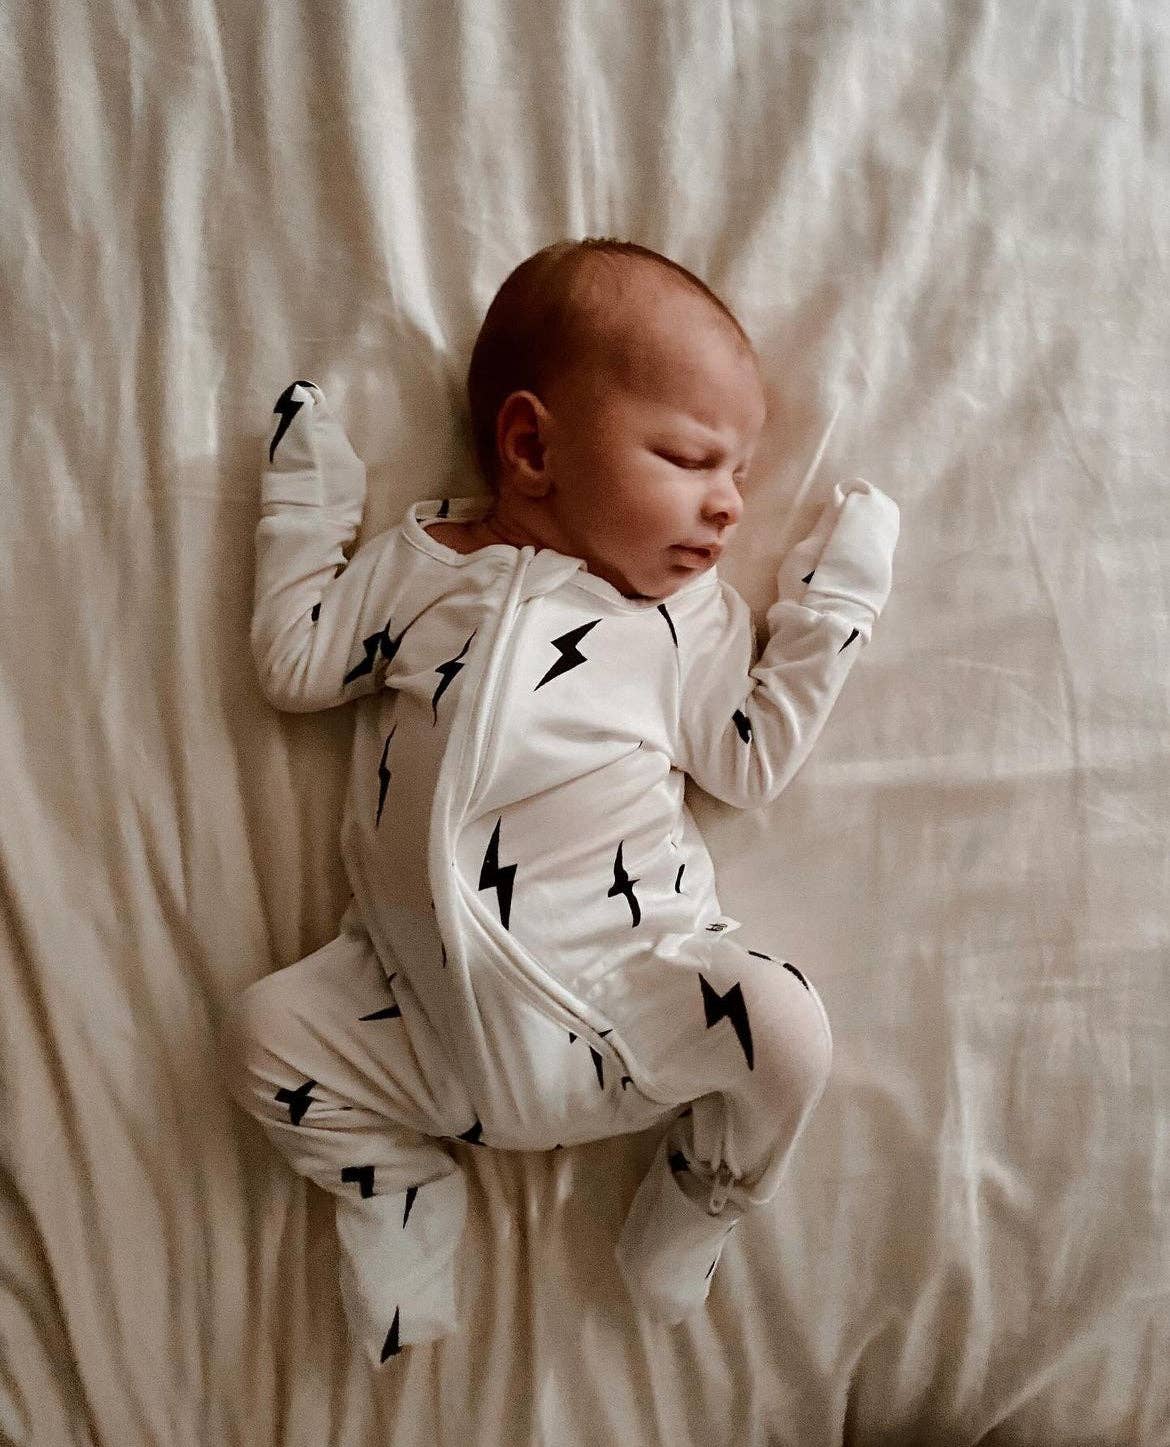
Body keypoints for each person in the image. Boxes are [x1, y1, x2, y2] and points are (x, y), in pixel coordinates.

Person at [220, 238, 900, 1368]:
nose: (730, 507)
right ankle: (398, 1184)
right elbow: (296, 663)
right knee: (260, 1038)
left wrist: (835, 608)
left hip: (629, 999)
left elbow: (749, 760)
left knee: (788, 1033)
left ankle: (706, 1187)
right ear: (532, 446)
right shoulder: (420, 564)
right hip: (414, 1022)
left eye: (741, 473)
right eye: (690, 458)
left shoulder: (686, 622)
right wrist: (307, 499)